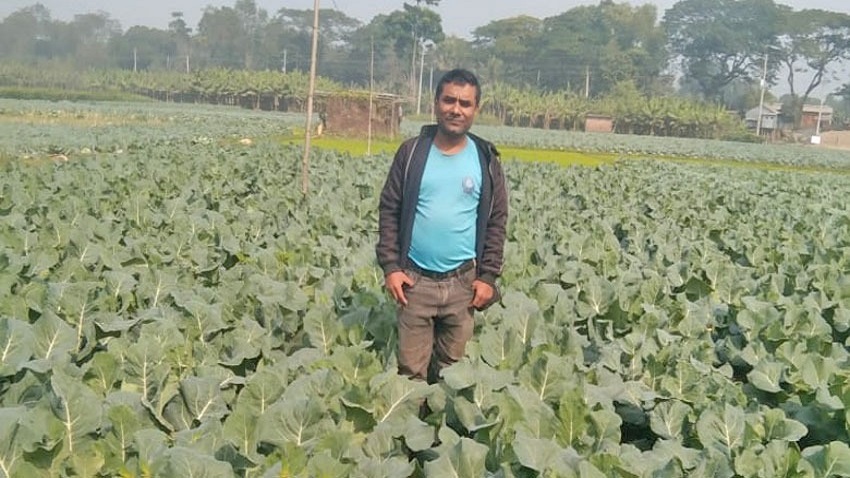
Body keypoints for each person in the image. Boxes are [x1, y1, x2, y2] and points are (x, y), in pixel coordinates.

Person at [376, 68, 509, 384]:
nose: (456, 109)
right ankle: (413, 415)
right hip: (414, 282)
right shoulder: (412, 153)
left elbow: (496, 221)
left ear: (476, 109)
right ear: (436, 103)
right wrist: (391, 267)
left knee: (455, 374)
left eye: (465, 103)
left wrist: (487, 276)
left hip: (463, 284)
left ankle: (442, 416)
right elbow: (390, 209)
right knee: (410, 373)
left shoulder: (485, 159)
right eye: (449, 100)